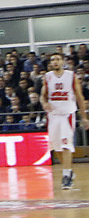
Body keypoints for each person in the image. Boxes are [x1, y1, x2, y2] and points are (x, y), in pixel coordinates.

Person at [41, 52, 87, 190]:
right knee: (56, 148)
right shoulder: (47, 77)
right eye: (53, 59)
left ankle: (66, 175)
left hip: (67, 114)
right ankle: (69, 170)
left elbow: (79, 97)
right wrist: (44, 103)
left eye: (58, 59)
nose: (55, 61)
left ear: (62, 62)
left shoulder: (71, 76)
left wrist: (84, 117)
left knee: (66, 144)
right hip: (53, 115)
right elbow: (42, 96)